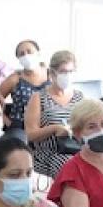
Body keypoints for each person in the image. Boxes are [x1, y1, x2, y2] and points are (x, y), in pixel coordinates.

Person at [25, 50, 83, 181]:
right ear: (52, 73)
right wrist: (55, 128)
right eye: (63, 71)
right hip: (48, 154)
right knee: (69, 166)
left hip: (76, 150)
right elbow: (30, 134)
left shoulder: (79, 97)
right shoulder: (39, 98)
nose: (67, 75)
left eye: (71, 71)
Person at [0, 39, 48, 130]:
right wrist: (7, 121)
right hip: (20, 126)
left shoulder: (51, 75)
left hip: (48, 125)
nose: (26, 55)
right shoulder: (15, 78)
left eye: (29, 52)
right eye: (22, 54)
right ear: (18, 59)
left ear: (38, 53)